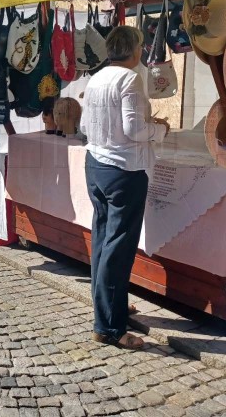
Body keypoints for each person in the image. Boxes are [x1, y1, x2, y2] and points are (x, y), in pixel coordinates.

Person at [79, 26, 170, 350]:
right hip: (123, 170)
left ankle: (110, 309)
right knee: (116, 250)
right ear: (135, 51)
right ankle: (109, 327)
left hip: (97, 165)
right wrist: (158, 130)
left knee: (105, 243)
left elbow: (84, 126)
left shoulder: (96, 78)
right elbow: (134, 128)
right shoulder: (130, 79)